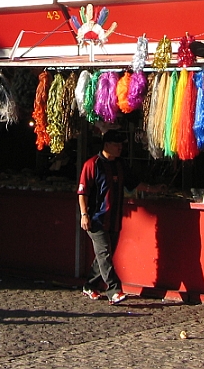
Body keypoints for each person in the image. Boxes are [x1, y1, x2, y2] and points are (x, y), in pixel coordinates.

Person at [77, 129, 158, 305]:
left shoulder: (120, 165)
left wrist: (154, 189)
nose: (120, 148)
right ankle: (114, 290)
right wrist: (84, 214)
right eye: (116, 144)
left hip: (114, 218)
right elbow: (83, 192)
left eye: (121, 145)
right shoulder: (93, 164)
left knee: (105, 254)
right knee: (104, 252)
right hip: (96, 218)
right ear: (106, 145)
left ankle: (89, 285)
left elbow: (133, 184)